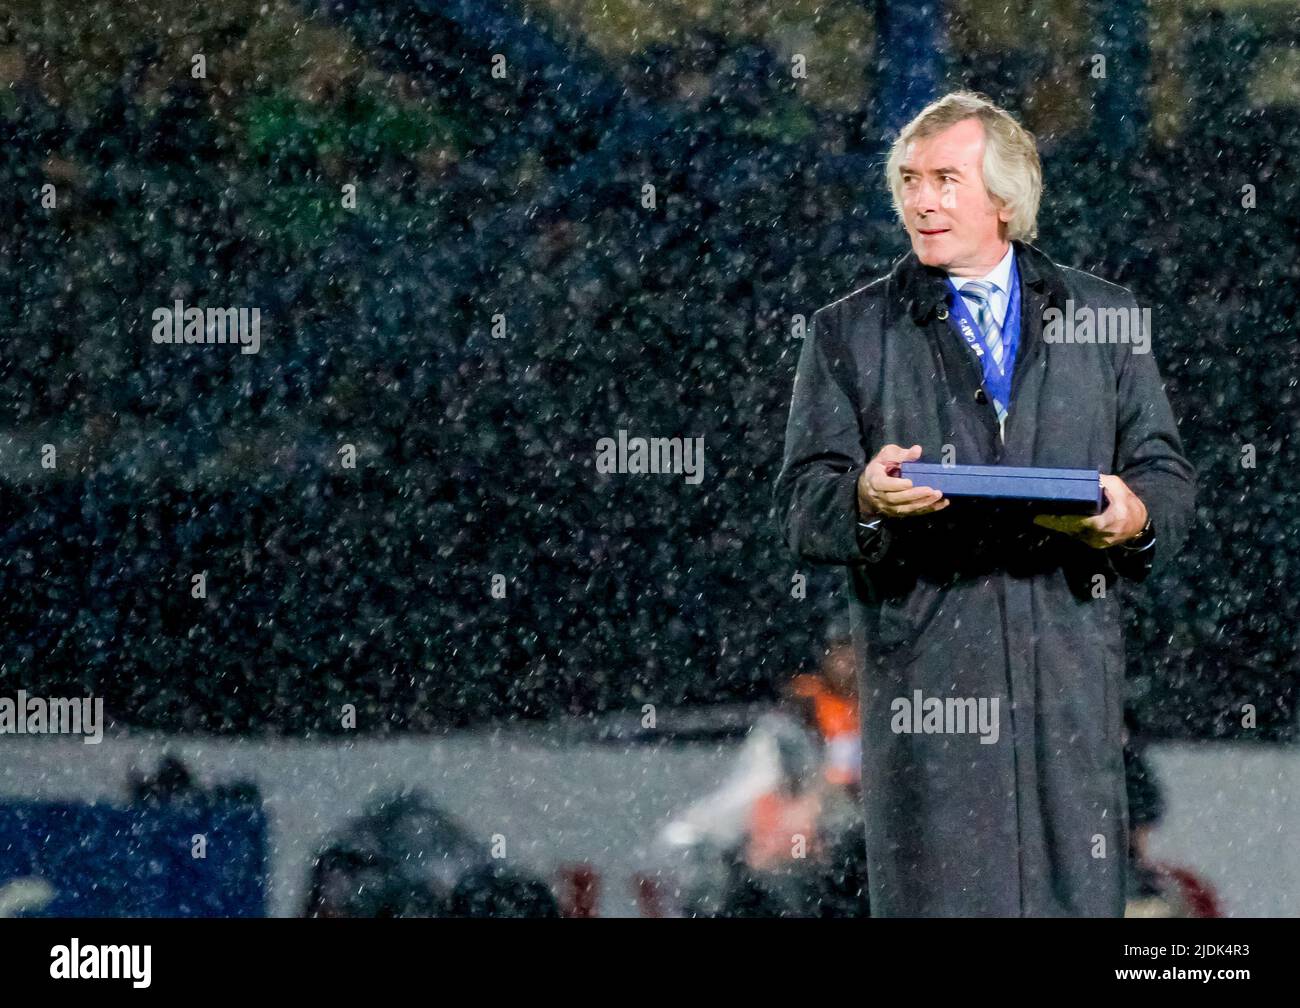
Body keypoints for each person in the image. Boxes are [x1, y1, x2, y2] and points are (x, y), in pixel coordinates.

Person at [772, 92, 1196, 917]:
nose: (921, 200)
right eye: (908, 180)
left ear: (1005, 198)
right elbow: (801, 506)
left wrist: (1132, 516)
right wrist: (865, 497)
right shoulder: (849, 333)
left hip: (1069, 683)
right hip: (929, 682)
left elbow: (1166, 479)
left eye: (945, 179)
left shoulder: (1105, 319)